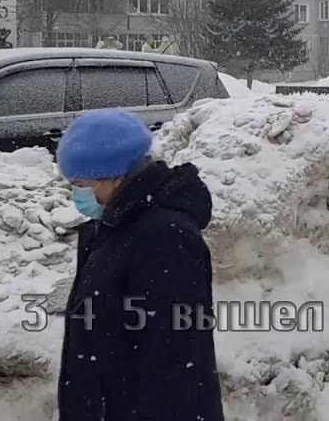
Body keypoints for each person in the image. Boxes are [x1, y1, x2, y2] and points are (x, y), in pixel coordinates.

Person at [56, 109, 224, 421]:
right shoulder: (107, 229)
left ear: (113, 175)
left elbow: (176, 359)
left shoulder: (164, 237)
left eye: (80, 182)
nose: (75, 191)